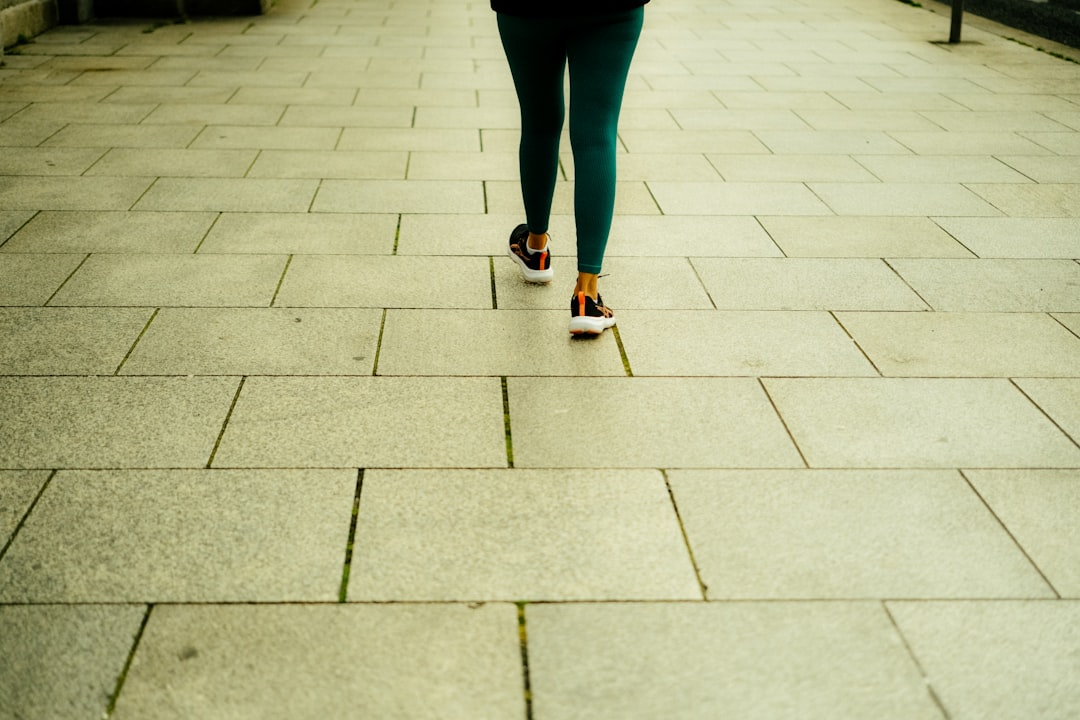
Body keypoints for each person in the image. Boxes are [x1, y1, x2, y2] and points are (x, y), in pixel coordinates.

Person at [494, 0, 648, 335]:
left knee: (538, 123)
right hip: (612, 11)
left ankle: (535, 248)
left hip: (527, 11)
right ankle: (586, 296)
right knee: (596, 136)